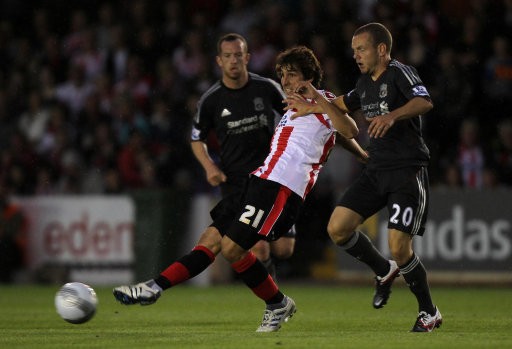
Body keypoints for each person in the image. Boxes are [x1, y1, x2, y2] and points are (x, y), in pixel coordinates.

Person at [114, 45, 365, 332]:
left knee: (235, 249)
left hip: (281, 188)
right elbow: (336, 134)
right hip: (255, 181)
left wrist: (321, 101)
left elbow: (349, 130)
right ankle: (154, 286)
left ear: (309, 76)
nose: (285, 81)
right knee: (210, 240)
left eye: (292, 75)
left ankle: (277, 303)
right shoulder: (291, 105)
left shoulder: (326, 102)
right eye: (282, 74)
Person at [285, 22, 441, 332]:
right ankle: (383, 271)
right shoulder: (364, 83)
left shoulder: (400, 72)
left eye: (362, 49)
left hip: (406, 170)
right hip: (376, 170)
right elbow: (341, 105)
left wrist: (391, 115)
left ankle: (429, 312)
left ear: (381, 50)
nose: (356, 55)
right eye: (354, 50)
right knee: (338, 228)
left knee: (400, 246)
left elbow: (425, 101)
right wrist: (313, 99)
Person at [187, 33, 296, 278]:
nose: (233, 60)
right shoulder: (211, 100)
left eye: (238, 55)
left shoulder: (266, 88)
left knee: (285, 248)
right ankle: (274, 297)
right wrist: (209, 167)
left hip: (271, 176)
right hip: (236, 183)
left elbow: (294, 115)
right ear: (219, 61)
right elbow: (196, 139)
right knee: (258, 246)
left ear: (247, 57)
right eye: (228, 56)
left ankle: (272, 290)